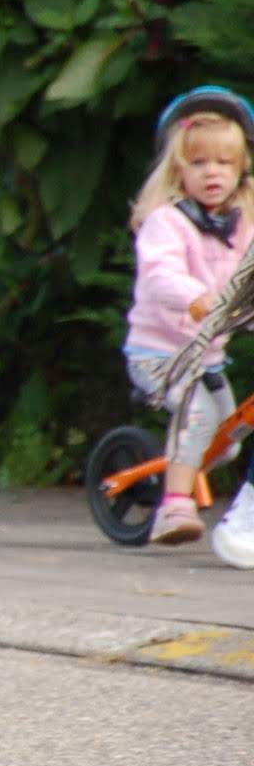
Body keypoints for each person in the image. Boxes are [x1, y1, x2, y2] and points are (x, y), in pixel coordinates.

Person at [121, 85, 254, 546]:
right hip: (159, 353)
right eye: (199, 163)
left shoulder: (243, 224)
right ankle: (173, 506)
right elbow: (160, 275)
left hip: (207, 356)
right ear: (178, 169)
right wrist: (196, 298)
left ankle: (176, 469)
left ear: (241, 168)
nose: (212, 172)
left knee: (229, 438)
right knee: (197, 417)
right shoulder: (167, 221)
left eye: (224, 163)